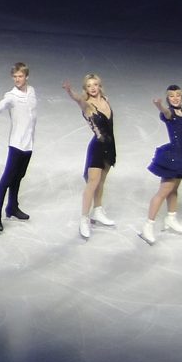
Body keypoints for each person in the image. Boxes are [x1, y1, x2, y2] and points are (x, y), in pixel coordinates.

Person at [139, 85, 182, 245]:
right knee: (163, 191)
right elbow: (166, 113)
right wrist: (159, 105)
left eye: (178, 95)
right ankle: (147, 226)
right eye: (171, 96)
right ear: (167, 99)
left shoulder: (181, 111)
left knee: (174, 190)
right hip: (173, 158)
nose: (175, 98)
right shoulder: (171, 113)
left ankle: (171, 218)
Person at [0, 62, 37, 232]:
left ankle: (12, 207)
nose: (17, 79)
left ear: (26, 77)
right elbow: (2, 104)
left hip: (29, 144)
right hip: (16, 144)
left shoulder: (32, 91)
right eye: (15, 77)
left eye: (20, 76)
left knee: (18, 177)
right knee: (6, 181)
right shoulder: (11, 95)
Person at [62, 73, 116, 239]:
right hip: (97, 148)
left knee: (101, 182)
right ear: (85, 89)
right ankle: (84, 218)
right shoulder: (88, 105)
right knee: (92, 183)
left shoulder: (105, 100)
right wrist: (71, 92)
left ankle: (98, 210)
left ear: (99, 86)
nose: (93, 88)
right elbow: (79, 100)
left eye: (95, 85)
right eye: (89, 86)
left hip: (110, 146)